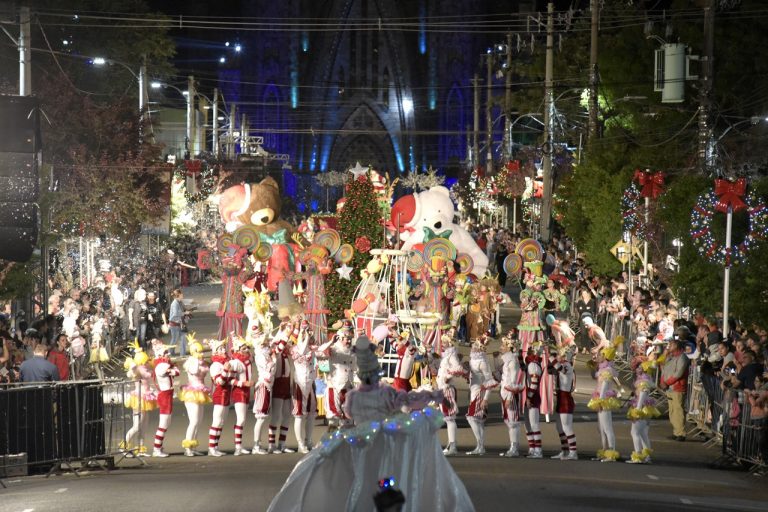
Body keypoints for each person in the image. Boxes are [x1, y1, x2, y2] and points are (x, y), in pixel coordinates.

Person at [267, 335, 476, 512]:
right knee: (383, 479)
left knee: (366, 480)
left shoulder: (355, 397)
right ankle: (384, 503)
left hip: (364, 444)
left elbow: (351, 415)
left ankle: (369, 504)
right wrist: (434, 396)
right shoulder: (381, 393)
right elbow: (408, 400)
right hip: (381, 443)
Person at [587, 341, 622, 462]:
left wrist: (600, 402)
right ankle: (604, 450)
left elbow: (604, 387)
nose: (599, 356)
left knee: (607, 428)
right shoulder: (602, 369)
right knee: (601, 428)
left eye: (601, 354)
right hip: (600, 399)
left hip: (604, 401)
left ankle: (611, 452)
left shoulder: (607, 371)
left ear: (606, 357)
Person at [179, 335, 211, 457]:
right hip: (191, 393)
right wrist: (196, 360)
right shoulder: (190, 362)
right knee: (194, 421)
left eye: (201, 351)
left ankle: (193, 445)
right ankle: (187, 448)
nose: (201, 353)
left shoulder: (203, 362)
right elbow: (194, 371)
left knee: (199, 421)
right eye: (197, 351)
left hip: (201, 392)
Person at [436, 332, 467, 456]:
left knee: (450, 418)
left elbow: (458, 369)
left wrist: (448, 377)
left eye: (445, 342)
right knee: (447, 417)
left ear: (450, 343)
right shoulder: (447, 356)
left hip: (447, 389)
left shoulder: (451, 356)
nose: (442, 344)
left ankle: (453, 445)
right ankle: (450, 443)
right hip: (443, 388)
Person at [466, 335, 497, 455]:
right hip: (473, 391)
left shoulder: (483, 362)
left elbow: (489, 381)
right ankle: (480, 446)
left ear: (479, 348)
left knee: (472, 417)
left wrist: (486, 399)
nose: (472, 347)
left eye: (474, 345)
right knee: (478, 420)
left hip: (480, 392)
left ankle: (480, 444)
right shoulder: (473, 359)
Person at [291, 320, 319, 453]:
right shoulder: (295, 348)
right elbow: (302, 350)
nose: (308, 335)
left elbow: (321, 351)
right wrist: (305, 335)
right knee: (299, 414)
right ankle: (300, 443)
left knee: (311, 413)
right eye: (305, 331)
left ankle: (308, 440)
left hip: (310, 382)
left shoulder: (311, 347)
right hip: (300, 383)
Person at [626, 365, 660, 464]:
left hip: (641, 410)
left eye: (640, 368)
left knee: (634, 432)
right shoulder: (644, 380)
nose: (637, 369)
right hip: (645, 409)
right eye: (637, 367)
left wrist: (637, 410)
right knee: (643, 433)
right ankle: (647, 456)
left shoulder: (643, 382)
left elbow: (642, 394)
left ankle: (638, 456)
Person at [498, 335, 525, 457]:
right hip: (505, 394)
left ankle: (515, 448)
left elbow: (513, 382)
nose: (501, 347)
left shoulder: (513, 362)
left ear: (509, 348)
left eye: (503, 345)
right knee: (509, 421)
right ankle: (512, 446)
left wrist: (509, 397)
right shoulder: (507, 361)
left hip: (510, 396)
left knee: (513, 422)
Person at [152, 340, 179, 457]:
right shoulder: (161, 366)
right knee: (163, 423)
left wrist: (173, 369)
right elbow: (175, 372)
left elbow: (176, 371)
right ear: (160, 355)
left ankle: (158, 446)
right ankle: (156, 448)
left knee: (166, 422)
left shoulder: (164, 364)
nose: (168, 354)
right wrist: (173, 369)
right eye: (166, 352)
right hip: (164, 396)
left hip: (167, 395)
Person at [550, 346, 578, 460]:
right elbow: (549, 370)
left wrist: (549, 355)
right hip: (560, 398)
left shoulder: (567, 366)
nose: (558, 357)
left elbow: (559, 368)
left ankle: (573, 452)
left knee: (567, 427)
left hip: (566, 398)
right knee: (559, 427)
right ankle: (565, 450)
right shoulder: (562, 365)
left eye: (559, 355)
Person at [660, 338, 690, 441]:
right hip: (670, 388)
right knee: (672, 411)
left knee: (678, 410)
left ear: (677, 346)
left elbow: (678, 373)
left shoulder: (683, 358)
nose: (669, 347)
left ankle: (681, 433)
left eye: (671, 345)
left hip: (677, 388)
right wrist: (662, 381)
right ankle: (676, 431)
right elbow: (663, 368)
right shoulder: (671, 357)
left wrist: (667, 382)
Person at [229, 335, 254, 456]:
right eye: (244, 347)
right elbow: (230, 380)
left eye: (247, 347)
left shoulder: (248, 360)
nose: (247, 349)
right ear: (238, 350)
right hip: (239, 392)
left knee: (243, 419)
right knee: (241, 419)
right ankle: (237, 446)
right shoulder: (236, 362)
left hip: (246, 392)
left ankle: (239, 445)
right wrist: (243, 383)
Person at [208, 338, 233, 456]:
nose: (224, 350)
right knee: (217, 421)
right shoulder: (215, 365)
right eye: (221, 349)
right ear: (216, 352)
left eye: (224, 348)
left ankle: (215, 446)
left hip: (227, 394)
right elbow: (220, 382)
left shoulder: (224, 363)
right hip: (219, 394)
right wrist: (225, 370)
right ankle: (211, 447)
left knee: (222, 422)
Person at [168, 289, 187, 356]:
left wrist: (187, 311)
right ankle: (170, 352)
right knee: (174, 339)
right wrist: (184, 313)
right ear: (178, 295)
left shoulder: (180, 302)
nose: (183, 295)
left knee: (183, 338)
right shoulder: (174, 303)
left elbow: (184, 309)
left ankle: (183, 354)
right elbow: (175, 313)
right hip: (174, 323)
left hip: (181, 323)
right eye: (181, 294)